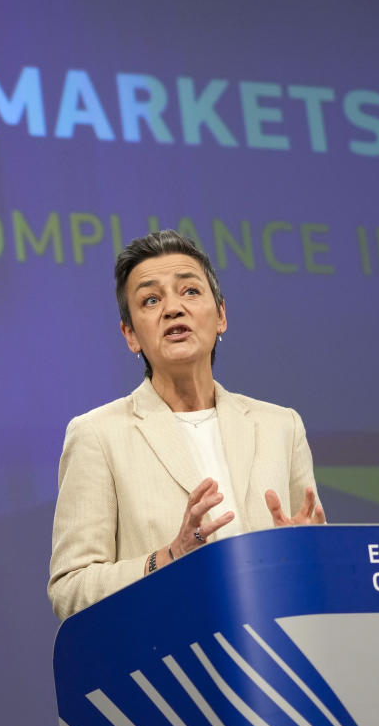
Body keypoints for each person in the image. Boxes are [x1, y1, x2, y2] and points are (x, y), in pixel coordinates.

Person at [48, 229, 324, 620]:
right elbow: (70, 590)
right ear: (130, 335)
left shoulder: (280, 426)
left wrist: (307, 555)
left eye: (190, 291)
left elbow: (316, 563)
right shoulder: (98, 435)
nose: (174, 308)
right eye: (151, 300)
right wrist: (170, 556)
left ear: (221, 316)